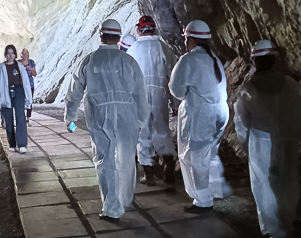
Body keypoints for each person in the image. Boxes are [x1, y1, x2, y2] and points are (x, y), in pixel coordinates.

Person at [65, 19, 149, 222]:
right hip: (127, 116)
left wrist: (71, 119)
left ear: (100, 35)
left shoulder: (90, 60)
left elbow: (74, 91)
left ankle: (112, 207)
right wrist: (141, 121)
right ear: (119, 38)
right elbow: (140, 93)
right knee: (127, 159)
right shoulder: (129, 62)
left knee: (104, 160)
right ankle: (125, 198)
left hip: (99, 117)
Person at [234, 40, 301, 238]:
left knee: (264, 186)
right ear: (274, 59)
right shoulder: (291, 84)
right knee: (287, 182)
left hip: (261, 142)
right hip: (286, 139)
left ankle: (274, 234)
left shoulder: (248, 88)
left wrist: (244, 145)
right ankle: (286, 225)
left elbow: (241, 121)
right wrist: (295, 134)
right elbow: (300, 111)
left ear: (254, 61)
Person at [169, 20, 230, 214]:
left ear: (192, 39)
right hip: (220, 111)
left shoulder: (188, 59)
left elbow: (176, 89)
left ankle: (203, 200)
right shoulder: (215, 59)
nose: (185, 42)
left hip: (201, 115)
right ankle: (215, 189)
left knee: (193, 157)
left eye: (186, 38)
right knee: (210, 153)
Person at [127, 15, 178, 186]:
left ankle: (148, 175)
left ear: (139, 30)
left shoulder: (133, 49)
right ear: (154, 29)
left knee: (143, 133)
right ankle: (168, 164)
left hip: (139, 96)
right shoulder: (164, 48)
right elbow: (173, 77)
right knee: (162, 129)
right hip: (160, 94)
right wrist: (175, 104)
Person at [0, 45, 32, 152]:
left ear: (15, 54)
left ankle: (22, 144)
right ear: (5, 55)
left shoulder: (19, 66)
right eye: (8, 53)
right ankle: (12, 144)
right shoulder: (0, 68)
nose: (10, 55)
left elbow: (25, 82)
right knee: (8, 119)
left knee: (21, 117)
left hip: (19, 92)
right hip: (6, 93)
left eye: (12, 53)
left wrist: (28, 97)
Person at [19, 48, 37, 123]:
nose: (25, 55)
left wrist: (31, 69)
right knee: (20, 101)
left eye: (26, 53)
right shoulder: (18, 62)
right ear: (21, 55)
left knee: (29, 101)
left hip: (30, 84)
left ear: (28, 54)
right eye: (23, 53)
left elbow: (35, 74)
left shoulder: (31, 62)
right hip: (21, 84)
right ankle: (21, 116)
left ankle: (28, 117)